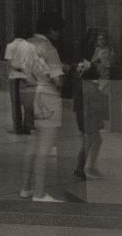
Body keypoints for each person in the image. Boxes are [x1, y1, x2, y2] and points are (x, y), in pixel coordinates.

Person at [18, 11, 67, 202]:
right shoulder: (49, 47)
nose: (59, 35)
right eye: (58, 31)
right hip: (46, 98)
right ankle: (39, 193)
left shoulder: (24, 44)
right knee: (44, 148)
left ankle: (25, 188)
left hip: (27, 94)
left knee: (31, 144)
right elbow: (58, 81)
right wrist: (64, 72)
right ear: (52, 29)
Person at [73, 28, 113, 181]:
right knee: (90, 138)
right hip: (92, 100)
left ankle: (87, 167)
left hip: (92, 99)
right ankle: (82, 168)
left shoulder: (90, 64)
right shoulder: (94, 65)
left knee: (94, 138)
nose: (98, 42)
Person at [4, 36, 30, 134]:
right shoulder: (29, 46)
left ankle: (17, 128)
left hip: (14, 76)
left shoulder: (10, 46)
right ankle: (28, 126)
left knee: (15, 102)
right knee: (27, 102)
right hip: (26, 76)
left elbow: (10, 62)